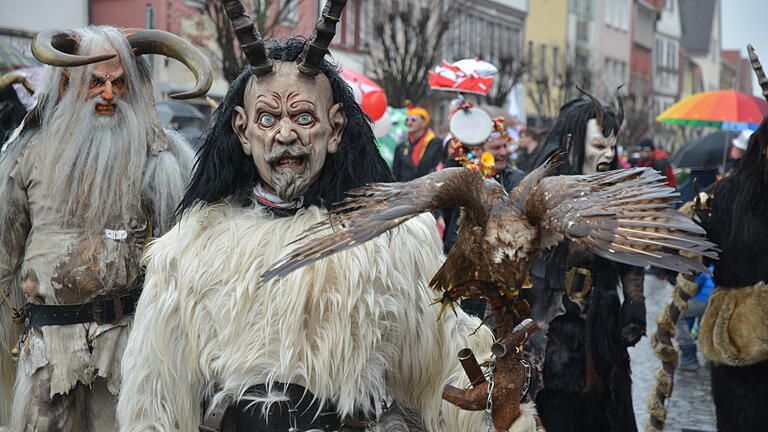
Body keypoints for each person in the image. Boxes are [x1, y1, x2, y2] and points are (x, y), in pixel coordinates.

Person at [116, 3, 536, 431]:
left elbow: (442, 357)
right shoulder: (190, 249)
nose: (285, 135)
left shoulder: (393, 243)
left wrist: (498, 399)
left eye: (302, 117)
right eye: (267, 118)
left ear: (335, 130)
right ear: (243, 131)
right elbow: (156, 395)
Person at [0, 26, 211, 431]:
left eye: (119, 82)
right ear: (67, 82)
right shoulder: (26, 155)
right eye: (95, 82)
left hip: (123, 345)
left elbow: (181, 254)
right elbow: (5, 252)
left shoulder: (157, 157)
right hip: (47, 345)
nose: (109, 94)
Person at [525, 87, 645, 432]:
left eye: (612, 146)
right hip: (550, 326)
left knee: (603, 413)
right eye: (598, 146)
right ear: (572, 143)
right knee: (554, 412)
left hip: (602, 326)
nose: (607, 154)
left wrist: (635, 301)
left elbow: (631, 251)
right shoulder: (539, 189)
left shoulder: (621, 193)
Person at [392, 101, 444, 182]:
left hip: (426, 190)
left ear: (424, 123)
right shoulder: (401, 146)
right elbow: (395, 174)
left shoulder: (436, 144)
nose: (409, 123)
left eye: (413, 120)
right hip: (404, 191)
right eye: (407, 120)